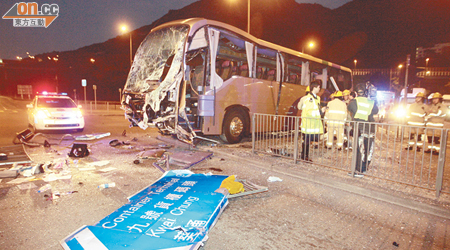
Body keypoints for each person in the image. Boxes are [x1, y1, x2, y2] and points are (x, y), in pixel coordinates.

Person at [348, 83, 378, 176]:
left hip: (360, 128)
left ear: (356, 93)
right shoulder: (370, 101)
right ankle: (363, 168)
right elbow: (376, 111)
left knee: (359, 150)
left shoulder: (354, 101)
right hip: (370, 128)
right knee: (368, 149)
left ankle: (359, 170)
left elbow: (350, 108)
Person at [298, 81, 324, 162]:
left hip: (314, 123)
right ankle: (304, 156)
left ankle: (305, 155)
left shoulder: (317, 98)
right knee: (306, 141)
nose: (320, 89)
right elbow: (309, 112)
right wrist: (321, 111)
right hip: (308, 123)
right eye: (319, 87)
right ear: (315, 87)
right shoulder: (308, 99)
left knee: (308, 141)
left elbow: (299, 107)